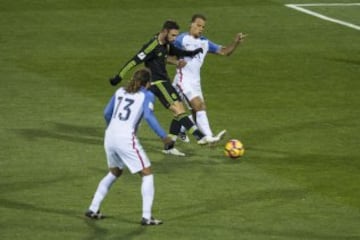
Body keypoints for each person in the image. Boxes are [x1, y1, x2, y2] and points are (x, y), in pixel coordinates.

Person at [109, 20, 221, 157]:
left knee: (179, 112)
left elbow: (178, 51)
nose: (175, 39)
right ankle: (200, 136)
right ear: (165, 32)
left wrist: (193, 52)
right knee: (178, 110)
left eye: (176, 36)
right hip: (157, 83)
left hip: (164, 82)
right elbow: (134, 60)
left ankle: (169, 147)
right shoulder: (152, 46)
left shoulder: (167, 44)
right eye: (173, 35)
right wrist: (119, 76)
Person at [85, 68, 172, 226]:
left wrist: (114, 128)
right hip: (125, 138)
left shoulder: (120, 91)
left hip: (110, 135)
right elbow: (148, 116)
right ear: (147, 83)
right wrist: (163, 137)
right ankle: (147, 217)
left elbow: (106, 113)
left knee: (115, 172)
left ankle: (93, 208)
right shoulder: (147, 95)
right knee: (147, 173)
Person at [172, 14, 246, 143]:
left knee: (198, 111)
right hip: (182, 80)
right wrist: (175, 62)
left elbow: (224, 52)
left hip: (195, 82)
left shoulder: (205, 42)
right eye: (198, 25)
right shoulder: (181, 39)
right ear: (191, 24)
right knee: (198, 105)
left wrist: (236, 42)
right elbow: (167, 54)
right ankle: (209, 136)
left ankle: (182, 128)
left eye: (203, 27)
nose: (200, 29)